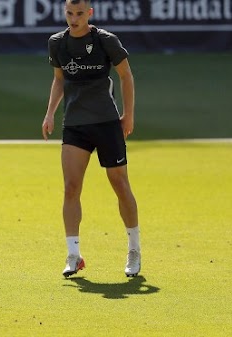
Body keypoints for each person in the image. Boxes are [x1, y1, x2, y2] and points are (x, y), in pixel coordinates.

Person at [42, 0, 141, 278]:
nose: (74, 19)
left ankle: (134, 249)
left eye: (80, 14)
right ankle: (73, 255)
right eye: (70, 14)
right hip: (75, 125)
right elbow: (59, 79)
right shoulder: (57, 43)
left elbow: (126, 76)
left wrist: (128, 115)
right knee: (71, 187)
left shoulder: (105, 40)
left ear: (90, 14)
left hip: (107, 124)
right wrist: (49, 113)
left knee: (120, 184)